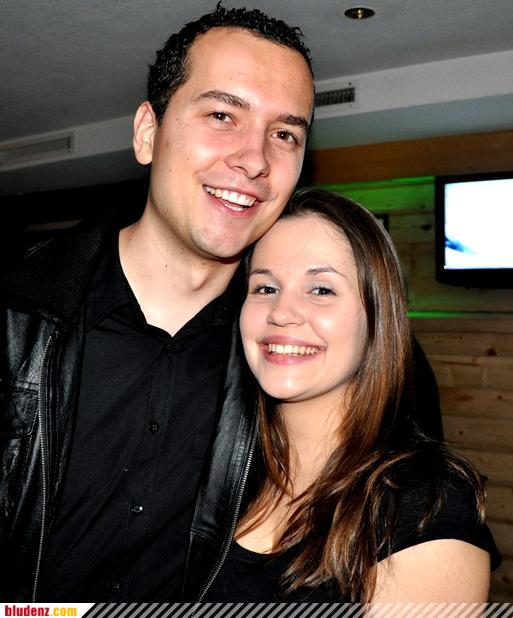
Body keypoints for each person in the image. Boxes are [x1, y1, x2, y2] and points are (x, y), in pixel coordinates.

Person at [0, 5, 314, 601]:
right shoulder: (16, 316)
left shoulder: (296, 354)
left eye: (285, 134)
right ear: (148, 133)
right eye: (222, 115)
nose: (254, 160)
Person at [196, 188, 501, 603]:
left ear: (377, 316)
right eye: (265, 288)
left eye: (321, 290)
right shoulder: (220, 467)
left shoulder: (421, 505)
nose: (281, 312)